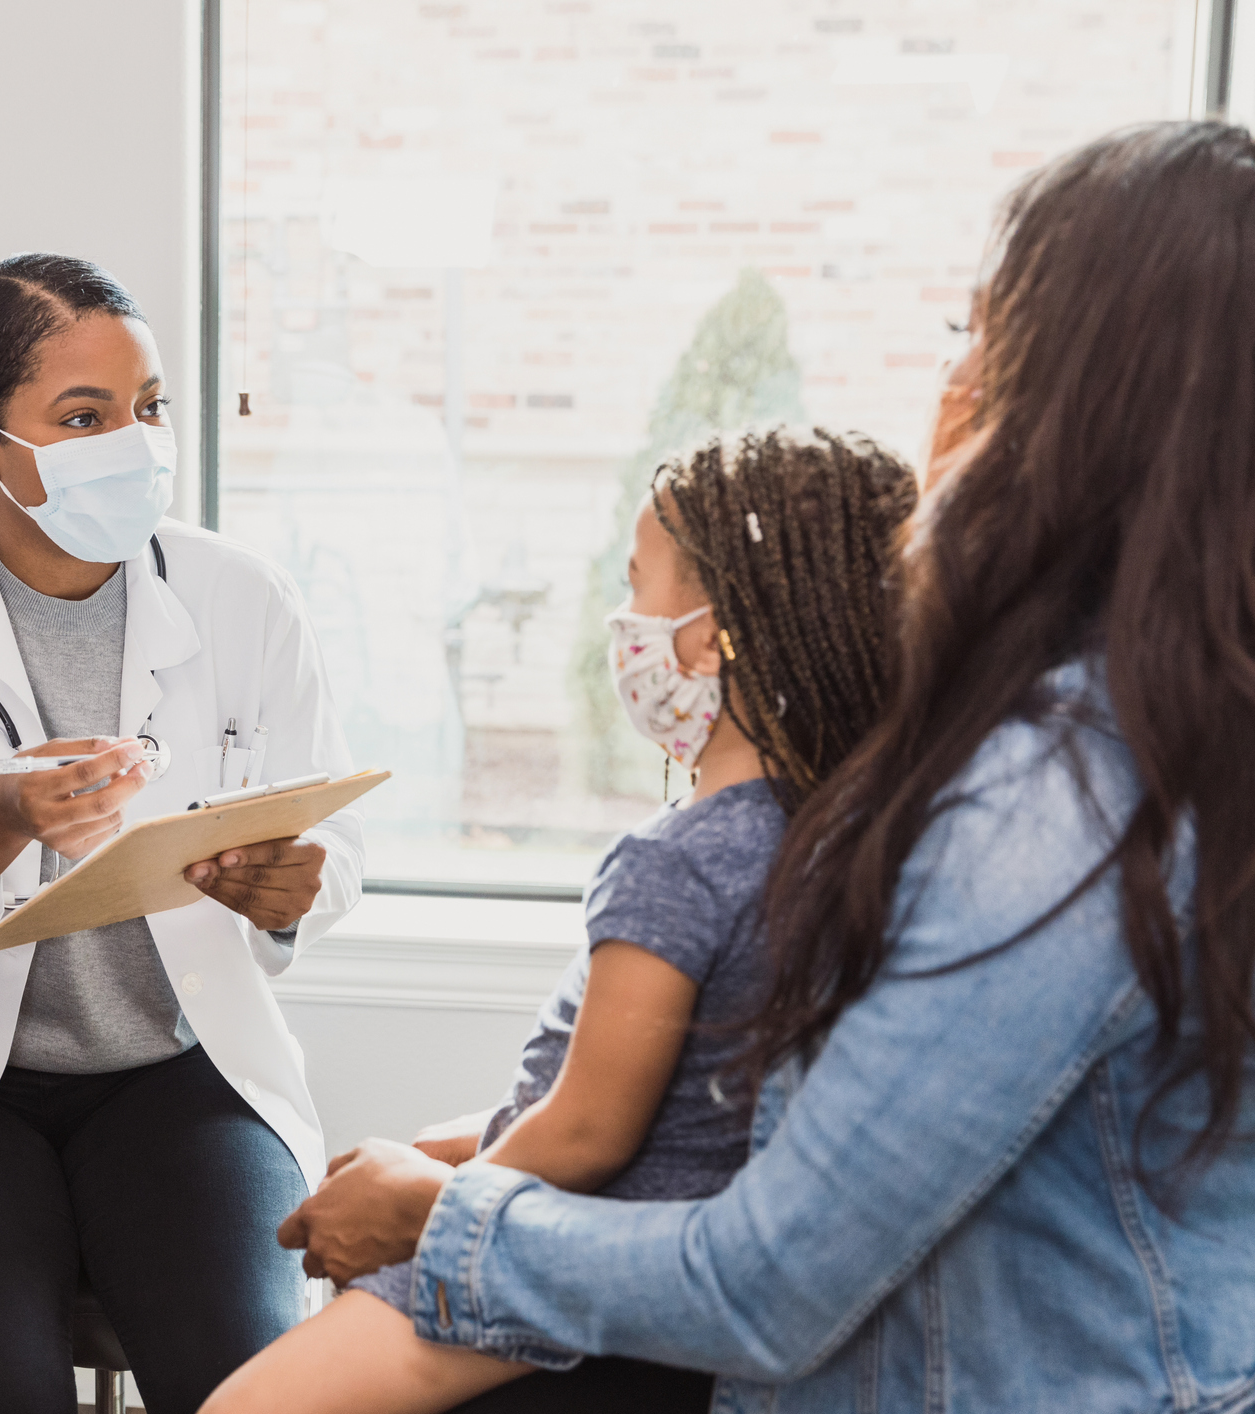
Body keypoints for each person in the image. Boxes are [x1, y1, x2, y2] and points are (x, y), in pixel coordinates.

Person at [266, 121, 1255, 1411]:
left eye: (975, 339)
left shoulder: (1047, 808)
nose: (946, 388)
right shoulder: (1160, 736)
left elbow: (766, 1279)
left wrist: (437, 1219)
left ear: (1073, 402)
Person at [202, 429, 917, 1414]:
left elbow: (588, 1131)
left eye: (639, 589)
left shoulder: (678, 864)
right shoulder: (846, 840)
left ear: (708, 640)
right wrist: (441, 1146)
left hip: (558, 1253)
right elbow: (675, 1097)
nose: (623, 623)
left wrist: (435, 1213)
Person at [0, 253, 365, 1414]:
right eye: (84, 416)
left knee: (251, 1386)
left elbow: (329, 846)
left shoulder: (239, 595)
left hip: (176, 1073)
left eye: (148, 409)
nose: (135, 443)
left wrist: (293, 887)